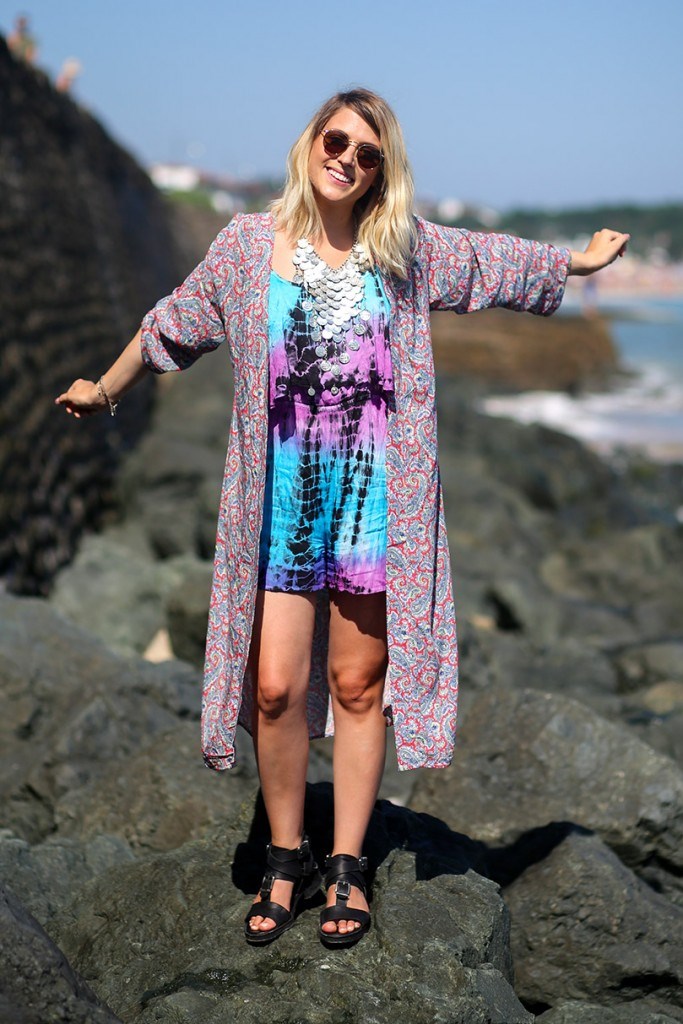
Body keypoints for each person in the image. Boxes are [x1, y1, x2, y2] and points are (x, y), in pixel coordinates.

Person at [56, 88, 629, 948]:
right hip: (281, 503)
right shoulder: (245, 247)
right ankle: (285, 857)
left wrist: (574, 265)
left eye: (367, 155)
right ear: (310, 142)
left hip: (373, 503)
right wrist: (104, 389)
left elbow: (490, 262)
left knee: (359, 685)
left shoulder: (401, 252)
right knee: (274, 687)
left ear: (379, 174)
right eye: (336, 141)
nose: (347, 161)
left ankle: (349, 865)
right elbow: (172, 322)